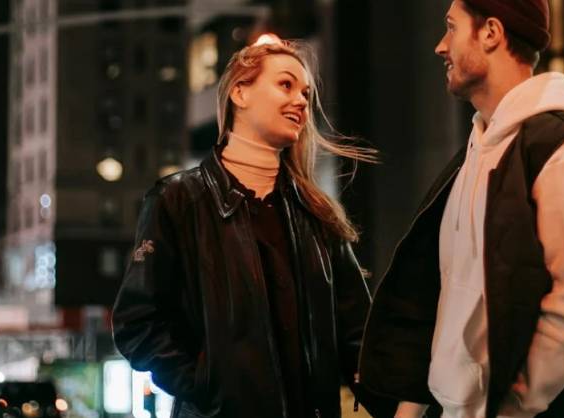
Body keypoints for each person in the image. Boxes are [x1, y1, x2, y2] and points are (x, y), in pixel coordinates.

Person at [359, 1, 564, 417]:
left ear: (491, 33)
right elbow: (439, 301)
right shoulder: (475, 153)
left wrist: (513, 406)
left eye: (451, 27)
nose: (440, 46)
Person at [112, 36, 383, 418]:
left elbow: (358, 335)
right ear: (240, 92)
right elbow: (137, 323)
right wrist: (207, 387)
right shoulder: (178, 200)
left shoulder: (316, 212)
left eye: (306, 93)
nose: (301, 101)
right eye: (286, 84)